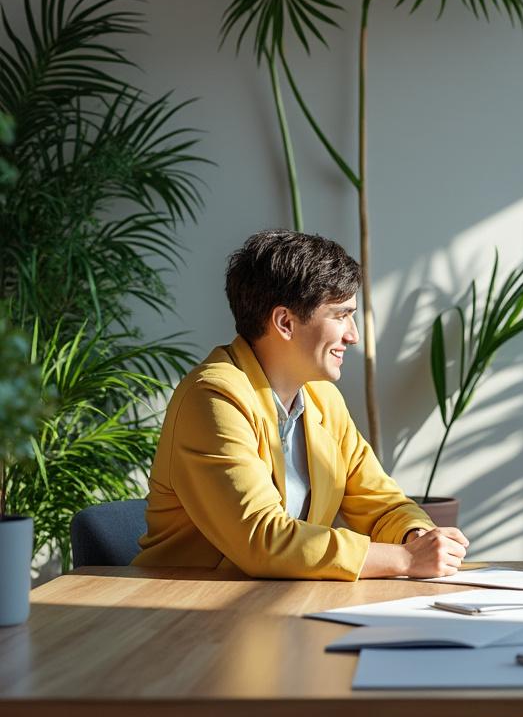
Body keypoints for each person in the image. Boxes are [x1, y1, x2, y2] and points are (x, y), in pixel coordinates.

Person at [134, 230, 468, 580]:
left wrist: (415, 536)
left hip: (274, 603)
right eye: (340, 315)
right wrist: (404, 560)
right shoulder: (213, 397)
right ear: (285, 322)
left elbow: (381, 504)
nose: (352, 335)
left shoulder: (322, 400)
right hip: (181, 612)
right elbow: (263, 539)